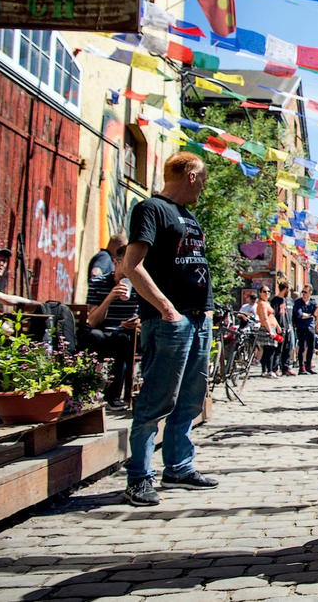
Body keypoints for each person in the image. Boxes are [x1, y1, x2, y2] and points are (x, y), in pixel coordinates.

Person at [121, 152, 218, 507]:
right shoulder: (151, 209)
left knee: (191, 399)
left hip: (197, 320)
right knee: (156, 400)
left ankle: (178, 466)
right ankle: (139, 477)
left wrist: (205, 313)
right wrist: (166, 309)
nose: (205, 185)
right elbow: (132, 265)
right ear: (191, 175)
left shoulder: (190, 216)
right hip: (169, 322)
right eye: (203, 178)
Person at [82, 245, 139, 410]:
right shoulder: (98, 283)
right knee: (93, 336)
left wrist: (137, 323)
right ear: (116, 262)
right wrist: (109, 298)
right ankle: (86, 391)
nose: (130, 268)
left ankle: (113, 397)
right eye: (126, 263)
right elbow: (92, 321)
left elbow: (146, 317)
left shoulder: (139, 285)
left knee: (121, 339)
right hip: (102, 330)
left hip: (126, 333)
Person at [256, 289, 282, 378]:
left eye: (268, 291)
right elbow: (265, 318)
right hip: (266, 328)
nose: (267, 293)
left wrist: (277, 326)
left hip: (272, 327)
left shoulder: (267, 303)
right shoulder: (262, 304)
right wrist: (270, 330)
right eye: (264, 291)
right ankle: (268, 370)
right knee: (270, 350)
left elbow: (272, 316)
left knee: (269, 350)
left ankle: (266, 370)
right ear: (260, 293)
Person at [271, 282, 295, 376]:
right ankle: (275, 368)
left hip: (287, 327)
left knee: (287, 348)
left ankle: (286, 368)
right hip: (279, 328)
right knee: (278, 350)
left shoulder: (285, 300)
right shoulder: (275, 301)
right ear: (285, 289)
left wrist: (289, 324)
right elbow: (274, 315)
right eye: (288, 289)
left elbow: (286, 314)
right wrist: (277, 326)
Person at [293, 285, 318, 374]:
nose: (303, 294)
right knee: (302, 347)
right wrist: (310, 315)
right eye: (302, 292)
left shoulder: (313, 302)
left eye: (305, 292)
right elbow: (300, 315)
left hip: (310, 327)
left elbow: (317, 312)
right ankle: (301, 367)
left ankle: (308, 365)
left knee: (311, 347)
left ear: (310, 292)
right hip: (301, 327)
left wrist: (310, 315)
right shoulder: (298, 302)